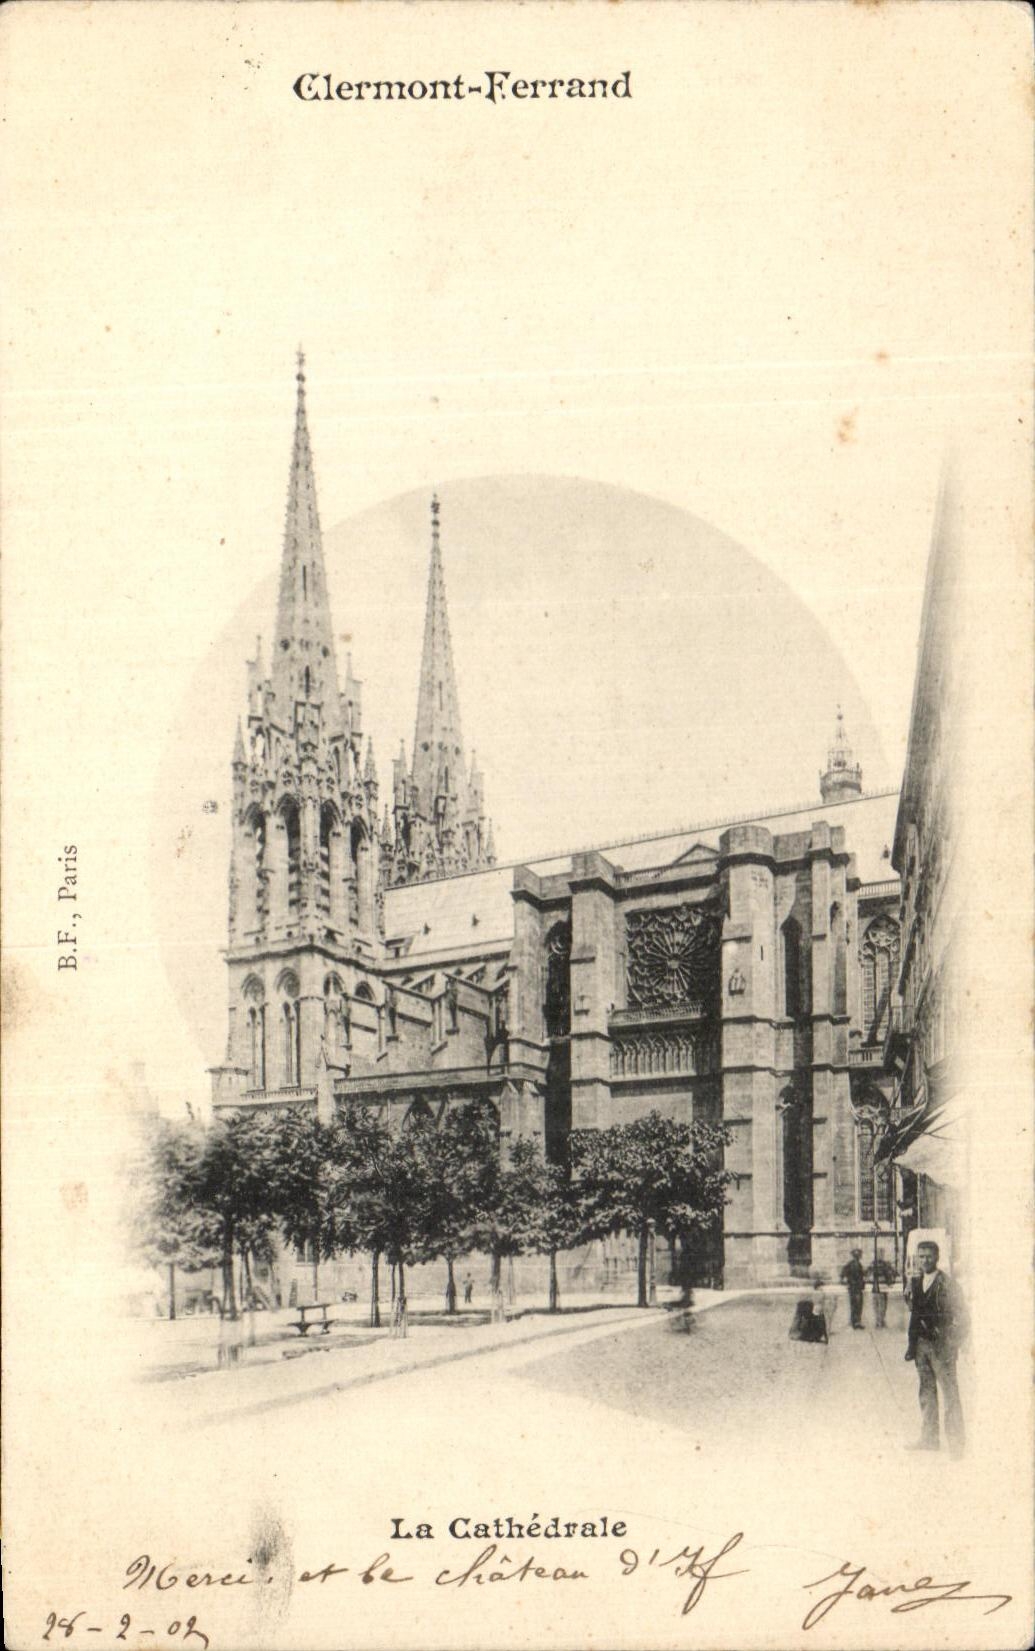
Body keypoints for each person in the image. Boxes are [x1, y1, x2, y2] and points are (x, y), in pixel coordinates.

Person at [904, 1239, 968, 1456]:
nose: (924, 1260)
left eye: (928, 1256)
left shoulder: (948, 1284)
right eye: (921, 1256)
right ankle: (929, 1439)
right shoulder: (915, 1282)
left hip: (942, 1349)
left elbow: (963, 1317)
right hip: (921, 1347)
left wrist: (951, 1342)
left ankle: (957, 1446)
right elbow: (916, 1312)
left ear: (937, 1257)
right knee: (926, 1392)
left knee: (950, 1395)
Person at [840, 1248, 866, 1329]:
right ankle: (856, 1322)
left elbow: (842, 1274)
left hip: (853, 1288)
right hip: (856, 1288)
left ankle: (854, 1322)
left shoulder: (851, 1264)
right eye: (858, 1255)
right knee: (857, 1305)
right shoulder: (856, 1265)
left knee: (854, 1305)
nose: (859, 1256)